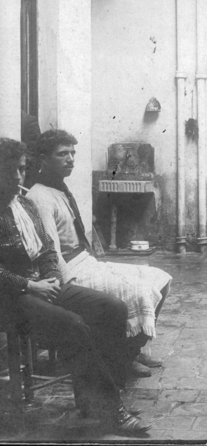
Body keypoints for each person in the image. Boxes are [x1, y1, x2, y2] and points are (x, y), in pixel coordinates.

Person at [0, 137, 150, 435]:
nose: (17, 178)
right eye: (9, 172)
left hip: (42, 285)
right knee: (73, 324)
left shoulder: (24, 203)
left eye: (21, 170)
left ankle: (96, 399)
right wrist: (30, 286)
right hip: (10, 296)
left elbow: (46, 249)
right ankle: (110, 411)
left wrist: (52, 278)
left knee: (112, 308)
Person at [27, 130, 172, 378]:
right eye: (63, 154)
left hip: (86, 261)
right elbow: (49, 249)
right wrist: (67, 286)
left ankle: (131, 348)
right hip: (69, 270)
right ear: (43, 159)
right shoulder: (40, 196)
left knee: (160, 278)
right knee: (137, 291)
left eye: (73, 153)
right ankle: (124, 358)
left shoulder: (59, 188)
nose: (71, 159)